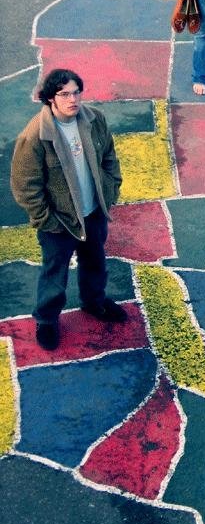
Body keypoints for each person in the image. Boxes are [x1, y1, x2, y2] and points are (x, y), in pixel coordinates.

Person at [10, 68, 127, 350]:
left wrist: (110, 189)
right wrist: (46, 220)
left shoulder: (94, 119)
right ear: (50, 98)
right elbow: (25, 186)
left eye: (76, 92)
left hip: (93, 213)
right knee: (55, 273)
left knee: (95, 262)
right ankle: (47, 320)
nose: (72, 99)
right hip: (59, 222)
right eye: (64, 94)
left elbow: (109, 156)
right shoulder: (34, 136)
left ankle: (94, 303)